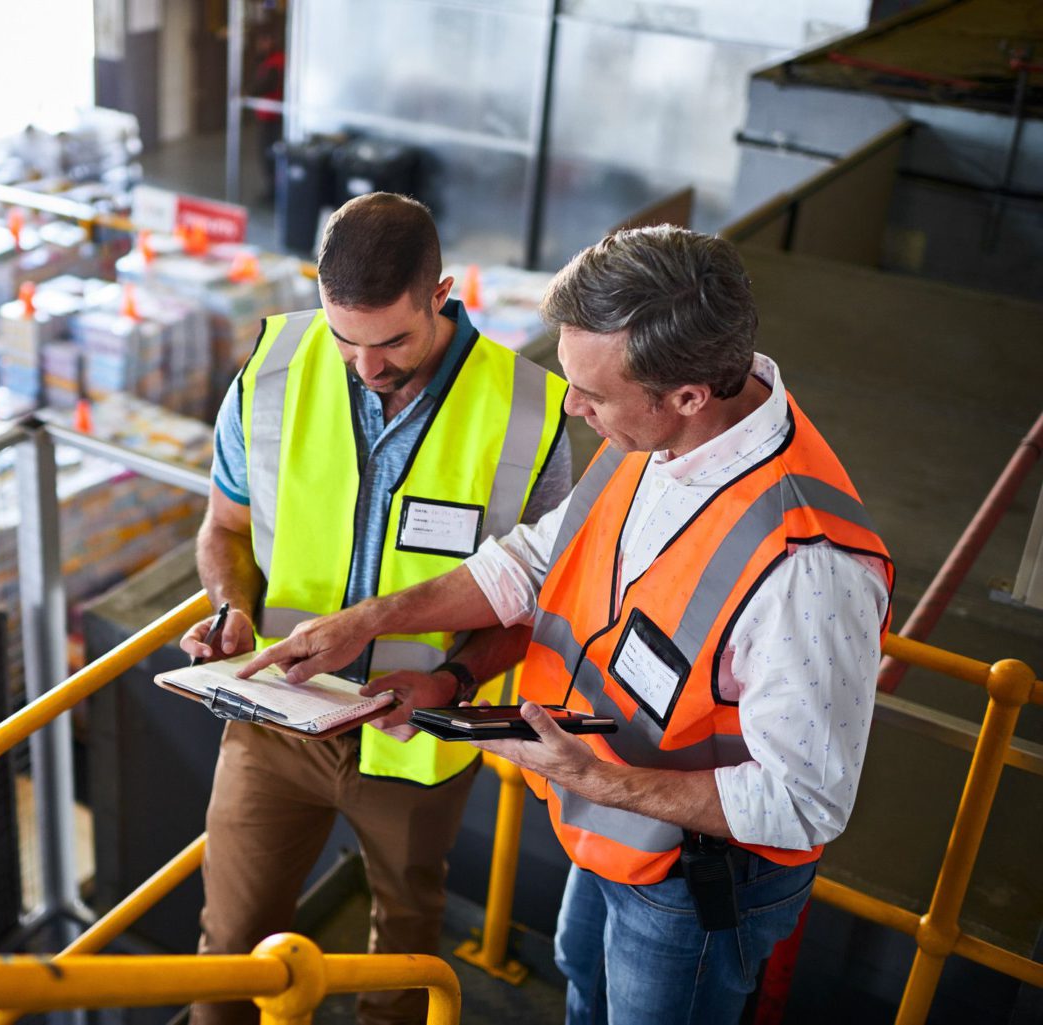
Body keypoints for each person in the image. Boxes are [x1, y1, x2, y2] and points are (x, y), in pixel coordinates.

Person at [242, 226, 894, 1024]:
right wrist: (372, 622)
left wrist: (591, 776)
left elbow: (804, 802)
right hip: (615, 824)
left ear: (688, 394)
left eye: (592, 393)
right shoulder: (655, 433)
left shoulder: (808, 568)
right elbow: (532, 561)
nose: (572, 406)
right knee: (581, 976)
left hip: (691, 880)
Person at [180, 191, 572, 1025]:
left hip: (417, 741)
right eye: (344, 337)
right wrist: (231, 608)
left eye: (391, 339)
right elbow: (224, 526)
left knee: (401, 968)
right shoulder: (277, 367)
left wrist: (458, 676)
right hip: (274, 719)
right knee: (230, 952)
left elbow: (539, 602)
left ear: (441, 293)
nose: (365, 364)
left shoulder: (533, 412)